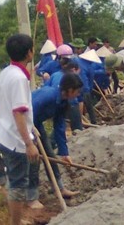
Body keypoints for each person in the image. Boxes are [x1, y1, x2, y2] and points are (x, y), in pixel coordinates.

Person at [0, 33, 40, 224]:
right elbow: (18, 113)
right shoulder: (19, 78)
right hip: (15, 140)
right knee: (19, 183)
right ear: (29, 53)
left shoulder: (6, 72)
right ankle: (16, 222)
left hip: (3, 133)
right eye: (33, 49)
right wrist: (28, 143)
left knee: (14, 178)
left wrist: (30, 127)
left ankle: (17, 219)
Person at [29, 73, 83, 205]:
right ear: (70, 90)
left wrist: (64, 153)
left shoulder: (64, 102)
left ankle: (60, 188)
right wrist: (31, 139)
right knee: (34, 160)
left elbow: (59, 126)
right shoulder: (48, 96)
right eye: (77, 91)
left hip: (37, 124)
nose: (78, 94)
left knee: (50, 154)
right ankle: (32, 198)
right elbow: (28, 111)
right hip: (24, 123)